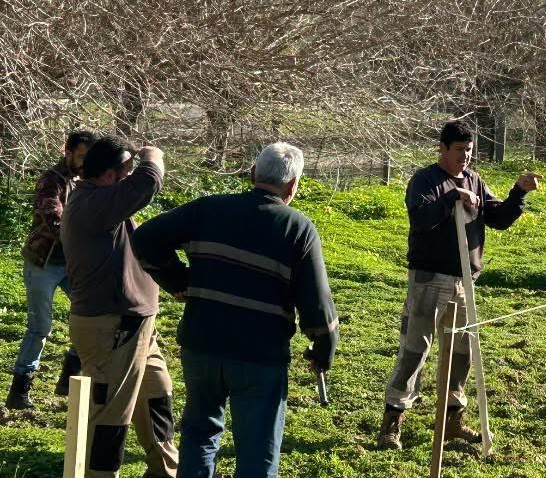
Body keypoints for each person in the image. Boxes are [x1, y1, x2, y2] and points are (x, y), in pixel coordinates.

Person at [132, 141, 338, 478]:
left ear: (253, 173)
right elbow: (316, 301)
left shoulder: (208, 209)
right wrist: (323, 346)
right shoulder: (298, 229)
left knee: (199, 433)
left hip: (202, 343)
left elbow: (145, 238)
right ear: (293, 185)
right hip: (259, 354)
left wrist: (177, 280)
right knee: (258, 449)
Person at [376, 119, 539, 450]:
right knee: (415, 349)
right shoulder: (425, 180)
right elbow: (421, 218)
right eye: (460, 150)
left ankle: (452, 420)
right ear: (443, 148)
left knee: (462, 352)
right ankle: (392, 421)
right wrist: (452, 196)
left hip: (465, 282)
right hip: (429, 278)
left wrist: (518, 192)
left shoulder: (475, 180)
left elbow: (498, 218)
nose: (465, 156)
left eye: (469, 150)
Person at [61, 136, 178, 478]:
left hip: (135, 325)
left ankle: (165, 470)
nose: (130, 178)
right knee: (110, 416)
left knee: (156, 397)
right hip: (112, 327)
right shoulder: (93, 203)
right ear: (110, 176)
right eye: (126, 172)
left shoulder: (102, 203)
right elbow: (148, 182)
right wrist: (151, 156)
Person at [6, 129, 96, 410]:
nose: (85, 163)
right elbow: (53, 218)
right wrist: (86, 239)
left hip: (72, 262)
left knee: (92, 314)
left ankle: (69, 377)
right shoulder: (51, 180)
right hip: (43, 263)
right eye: (81, 156)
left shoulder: (88, 180)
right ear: (67, 152)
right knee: (40, 327)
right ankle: (19, 391)